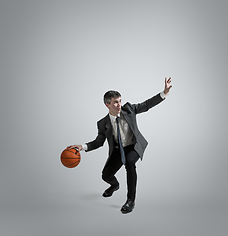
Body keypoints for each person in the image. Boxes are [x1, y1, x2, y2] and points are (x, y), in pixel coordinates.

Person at [68, 77, 172, 214]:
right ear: (107, 105)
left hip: (133, 146)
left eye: (120, 101)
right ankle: (115, 185)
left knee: (130, 163)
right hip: (118, 149)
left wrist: (164, 93)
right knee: (105, 175)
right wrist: (82, 146)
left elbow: (146, 105)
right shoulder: (103, 123)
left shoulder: (129, 109)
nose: (119, 105)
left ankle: (131, 200)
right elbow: (98, 142)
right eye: (115, 102)